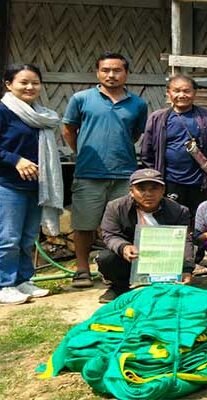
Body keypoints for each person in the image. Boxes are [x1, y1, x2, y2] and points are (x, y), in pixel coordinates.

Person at [62, 52, 148, 289]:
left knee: (124, 224)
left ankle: (121, 271)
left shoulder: (138, 104)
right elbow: (68, 129)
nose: (111, 75)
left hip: (124, 174)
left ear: (126, 73)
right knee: (84, 224)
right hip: (89, 172)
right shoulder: (81, 99)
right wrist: (82, 151)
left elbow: (135, 135)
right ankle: (82, 270)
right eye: (106, 70)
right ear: (97, 72)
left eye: (117, 70)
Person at [0, 64, 61, 305]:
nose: (30, 87)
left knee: (27, 238)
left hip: (36, 185)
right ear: (8, 84)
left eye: (35, 82)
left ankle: (23, 280)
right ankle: (4, 284)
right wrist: (15, 159)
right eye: (23, 82)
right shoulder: (3, 111)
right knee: (8, 238)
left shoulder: (41, 114)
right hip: (8, 185)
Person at [97, 169, 194, 303]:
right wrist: (124, 247)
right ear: (131, 191)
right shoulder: (115, 207)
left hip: (164, 257)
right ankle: (119, 287)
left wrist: (187, 269)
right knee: (106, 258)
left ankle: (168, 282)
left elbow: (185, 241)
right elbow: (110, 234)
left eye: (154, 188)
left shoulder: (179, 211)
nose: (148, 194)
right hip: (132, 258)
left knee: (196, 251)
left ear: (163, 190)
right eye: (141, 189)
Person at [140, 74, 207, 220]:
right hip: (170, 180)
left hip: (200, 181)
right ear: (168, 93)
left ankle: (196, 243)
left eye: (186, 91)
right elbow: (147, 152)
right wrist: (155, 177)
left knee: (200, 219)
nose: (182, 95)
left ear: (194, 92)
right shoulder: (158, 118)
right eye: (177, 91)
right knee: (171, 218)